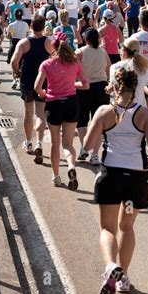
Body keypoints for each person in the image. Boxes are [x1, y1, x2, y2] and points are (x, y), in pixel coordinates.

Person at [83, 68, 148, 294]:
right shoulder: (146, 114)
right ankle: (123, 277)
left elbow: (88, 146)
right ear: (136, 88)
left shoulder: (104, 111)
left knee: (107, 228)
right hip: (135, 178)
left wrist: (104, 131)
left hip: (110, 175)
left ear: (114, 87)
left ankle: (109, 266)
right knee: (126, 227)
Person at [34, 31, 88, 189]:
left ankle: (56, 176)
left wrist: (43, 93)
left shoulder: (47, 64)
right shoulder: (75, 63)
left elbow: (37, 87)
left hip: (54, 103)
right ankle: (71, 167)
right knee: (69, 144)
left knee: (55, 143)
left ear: (53, 47)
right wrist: (73, 85)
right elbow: (86, 84)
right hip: (71, 102)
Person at [11, 14, 52, 161]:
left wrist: (17, 72)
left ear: (31, 26)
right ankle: (39, 142)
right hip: (43, 81)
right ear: (43, 27)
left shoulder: (24, 43)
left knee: (28, 113)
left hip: (27, 80)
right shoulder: (49, 42)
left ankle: (28, 142)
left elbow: (14, 61)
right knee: (40, 114)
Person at [76, 28, 111, 164]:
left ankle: (84, 148)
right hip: (101, 88)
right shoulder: (103, 52)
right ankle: (95, 154)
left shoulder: (80, 52)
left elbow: (74, 69)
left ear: (86, 39)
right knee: (98, 123)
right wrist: (107, 80)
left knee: (82, 120)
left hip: (84, 87)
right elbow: (109, 68)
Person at [6, 7, 29, 84]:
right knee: (21, 63)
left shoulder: (11, 25)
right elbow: (26, 35)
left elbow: (8, 36)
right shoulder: (26, 24)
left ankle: (14, 80)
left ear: (14, 15)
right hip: (23, 45)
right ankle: (19, 81)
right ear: (22, 15)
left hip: (14, 44)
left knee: (14, 62)